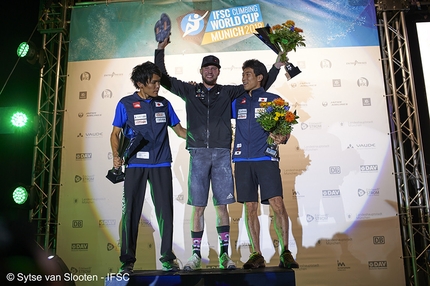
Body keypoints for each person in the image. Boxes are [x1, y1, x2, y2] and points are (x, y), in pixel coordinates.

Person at [154, 37, 284, 271]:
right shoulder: (189, 90)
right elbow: (163, 79)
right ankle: (195, 255)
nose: (210, 71)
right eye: (207, 68)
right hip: (198, 154)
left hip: (223, 154)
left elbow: (260, 85)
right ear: (201, 70)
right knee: (199, 208)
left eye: (214, 68)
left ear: (219, 71)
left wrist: (275, 67)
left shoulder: (228, 93)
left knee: (222, 207)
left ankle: (224, 256)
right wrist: (160, 50)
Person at [110, 61, 186, 274]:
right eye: (152, 83)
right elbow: (115, 134)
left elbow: (180, 131)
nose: (157, 86)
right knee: (131, 212)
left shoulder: (164, 103)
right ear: (139, 84)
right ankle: (127, 261)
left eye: (158, 82)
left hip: (161, 163)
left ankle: (168, 258)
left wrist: (205, 138)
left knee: (166, 212)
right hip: (135, 164)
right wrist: (116, 156)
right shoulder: (125, 104)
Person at [231, 59, 299, 269]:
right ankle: (256, 253)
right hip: (242, 160)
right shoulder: (236, 101)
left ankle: (285, 252)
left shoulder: (273, 100)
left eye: (248, 74)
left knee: (277, 204)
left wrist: (283, 137)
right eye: (243, 74)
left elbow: (285, 126)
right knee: (250, 207)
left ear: (260, 78)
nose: (244, 78)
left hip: (266, 158)